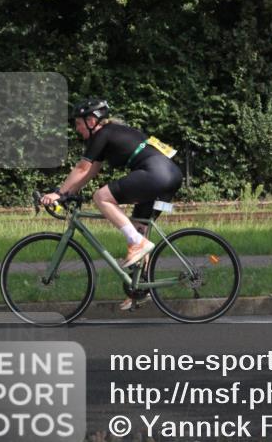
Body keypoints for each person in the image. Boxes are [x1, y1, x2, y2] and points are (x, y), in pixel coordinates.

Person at [41, 98, 183, 310]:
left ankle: (138, 242)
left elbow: (81, 168)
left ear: (91, 120)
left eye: (78, 123)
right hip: (171, 175)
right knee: (139, 227)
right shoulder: (115, 131)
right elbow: (90, 171)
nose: (76, 129)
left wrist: (58, 194)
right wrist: (68, 193)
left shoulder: (102, 134)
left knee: (101, 197)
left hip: (155, 174)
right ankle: (140, 289)